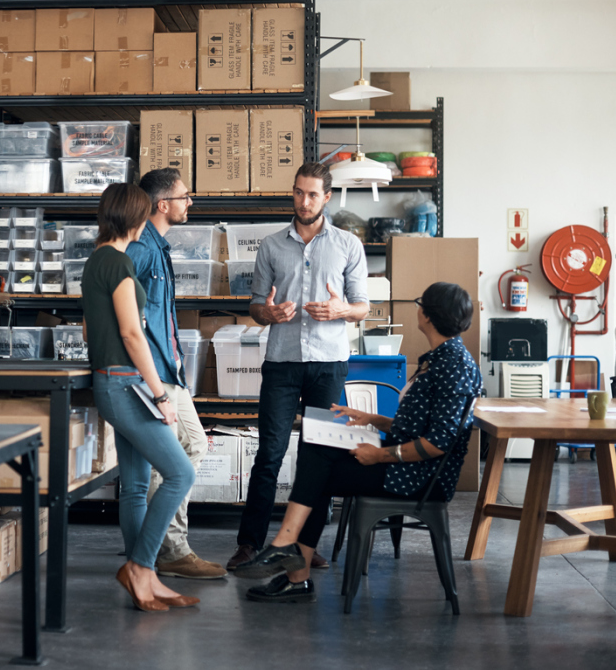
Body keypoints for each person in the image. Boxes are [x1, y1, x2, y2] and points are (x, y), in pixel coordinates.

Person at [232, 281, 483, 602]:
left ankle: (291, 560)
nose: (417, 308)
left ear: (429, 316)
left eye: (421, 303)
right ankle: (291, 560)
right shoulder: (442, 358)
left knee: (317, 463)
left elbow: (439, 442)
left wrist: (380, 456)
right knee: (316, 436)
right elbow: (419, 426)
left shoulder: (452, 366)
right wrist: (371, 419)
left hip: (415, 476)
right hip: (406, 465)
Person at [227, 162, 370, 572]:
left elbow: (362, 307)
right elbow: (255, 306)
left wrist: (342, 308)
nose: (303, 201)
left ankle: (306, 546)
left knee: (318, 457)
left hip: (328, 364)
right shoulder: (271, 246)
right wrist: (267, 313)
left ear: (327, 197)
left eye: (312, 194)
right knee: (269, 454)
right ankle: (249, 543)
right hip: (282, 364)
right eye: (298, 193)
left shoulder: (348, 245)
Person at [81, 182, 199, 612]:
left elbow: (89, 331)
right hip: (128, 383)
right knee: (180, 474)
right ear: (135, 217)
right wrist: (159, 394)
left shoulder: (97, 261)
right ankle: (142, 567)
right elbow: (134, 334)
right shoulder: (119, 264)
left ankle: (143, 577)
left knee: (133, 486)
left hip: (110, 381)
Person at [125, 168, 227, 580]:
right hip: (152, 375)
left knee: (189, 447)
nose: (190, 203)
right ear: (163, 204)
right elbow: (128, 320)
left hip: (170, 370)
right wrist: (153, 382)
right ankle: (169, 548)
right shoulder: (140, 250)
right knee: (173, 458)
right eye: (185, 197)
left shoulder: (159, 247)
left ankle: (159, 544)